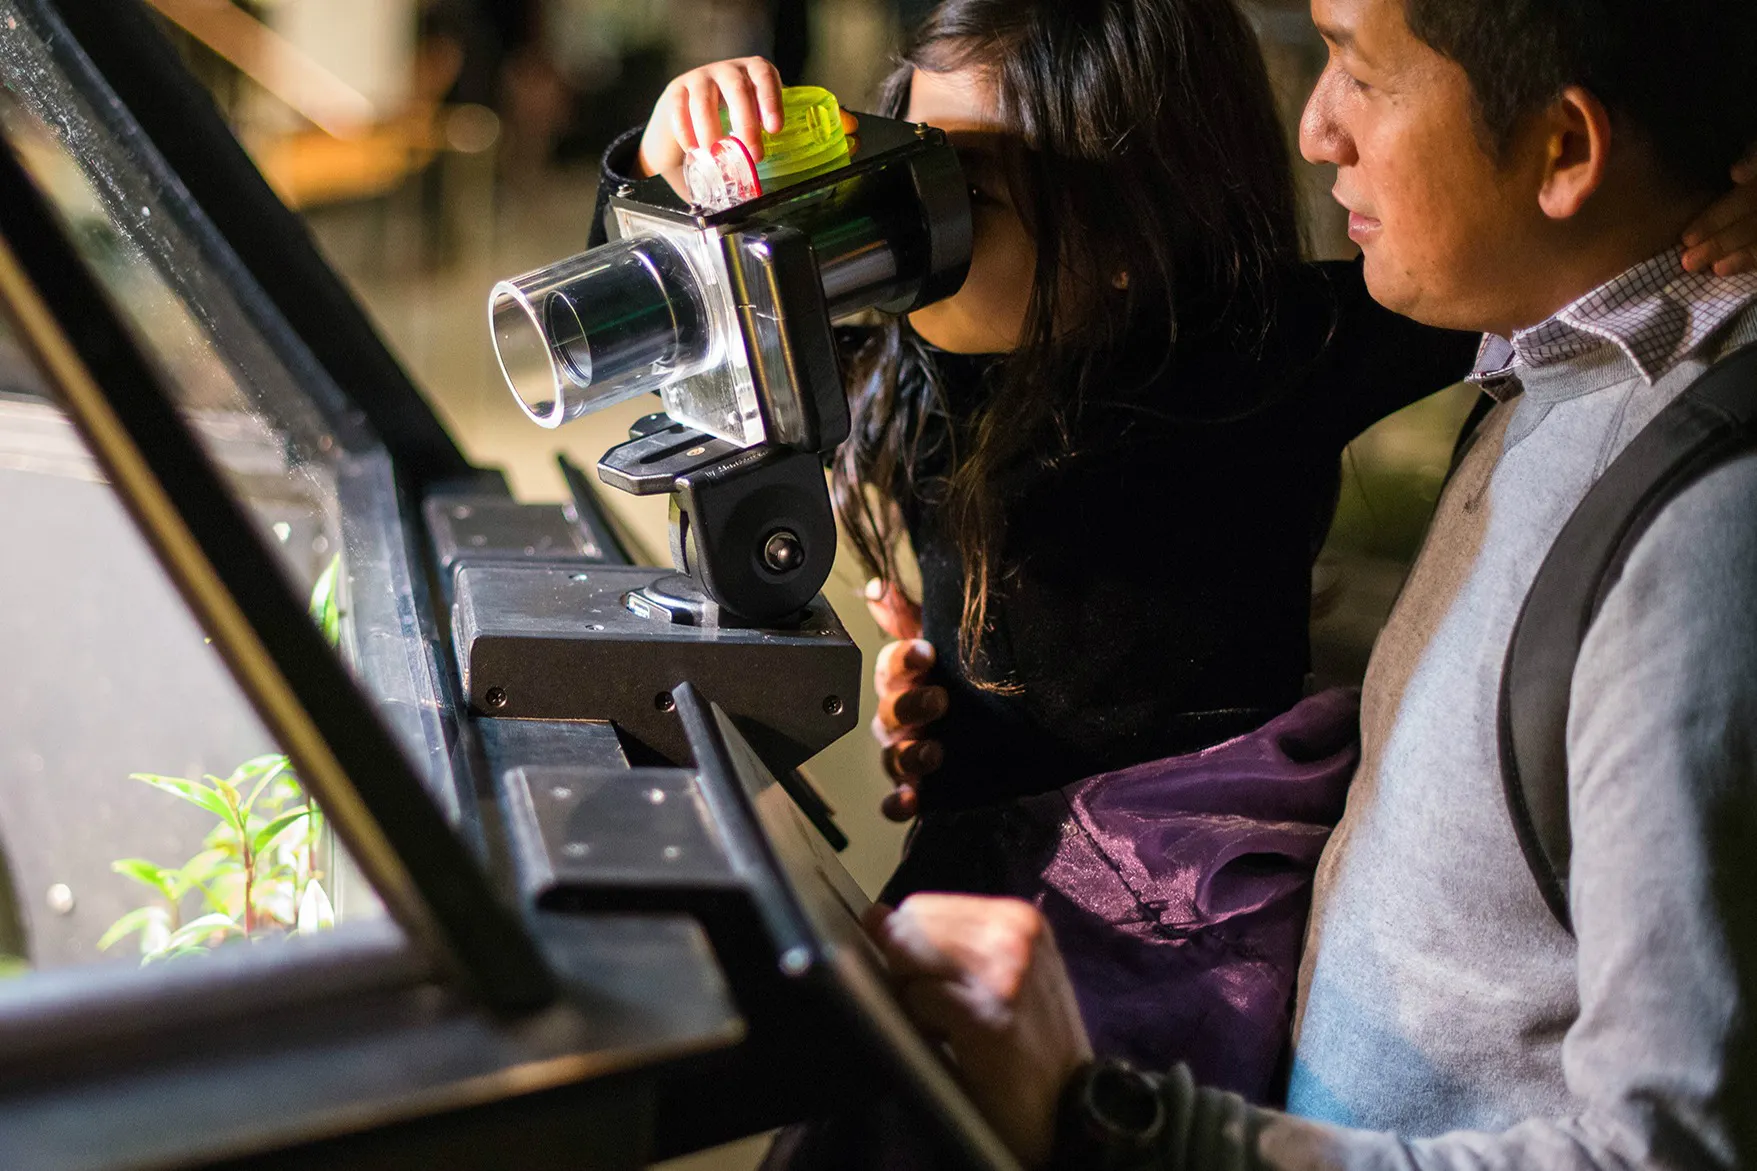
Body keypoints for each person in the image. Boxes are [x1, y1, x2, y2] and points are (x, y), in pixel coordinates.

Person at [613, 0, 1757, 1103]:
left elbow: (1546, 250)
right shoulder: (890, 363)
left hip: (1181, 909)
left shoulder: (1253, 351)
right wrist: (666, 168)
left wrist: (1725, 192)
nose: (905, 229)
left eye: (971, 194)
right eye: (900, 167)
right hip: (986, 860)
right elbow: (650, 342)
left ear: (1129, 230)